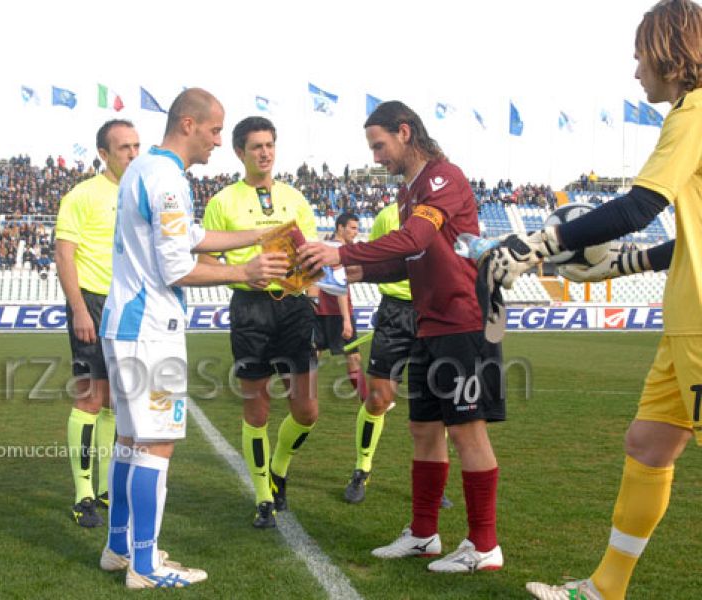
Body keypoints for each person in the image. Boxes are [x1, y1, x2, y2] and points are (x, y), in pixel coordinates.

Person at [489, 1, 702, 598]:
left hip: (701, 326)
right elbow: (687, 235)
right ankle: (607, 588)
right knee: (647, 444)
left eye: (639, 57)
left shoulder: (693, 112)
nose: (635, 72)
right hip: (685, 323)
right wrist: (627, 263)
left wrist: (537, 243)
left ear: (668, 54)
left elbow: (640, 207)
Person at [299, 100, 505, 573]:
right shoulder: (409, 192)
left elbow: (412, 241)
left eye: (379, 145)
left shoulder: (441, 179)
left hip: (464, 321)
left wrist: (340, 251)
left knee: (466, 432)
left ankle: (484, 545)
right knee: (422, 429)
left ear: (405, 132)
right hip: (429, 322)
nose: (376, 157)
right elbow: (407, 260)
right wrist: (353, 270)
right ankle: (423, 535)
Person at [98, 89, 289, 589]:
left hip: (127, 323)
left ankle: (119, 548)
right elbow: (178, 266)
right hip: (149, 330)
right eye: (214, 130)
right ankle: (145, 565)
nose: (218, 141)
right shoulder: (165, 180)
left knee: (129, 441)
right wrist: (243, 272)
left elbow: (192, 237)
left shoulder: (145, 169)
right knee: (155, 443)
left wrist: (256, 238)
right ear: (188, 124)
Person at [201, 116, 320, 528]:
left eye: (269, 145)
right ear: (240, 152)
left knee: (307, 410)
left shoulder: (294, 198)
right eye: (256, 146)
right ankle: (262, 497)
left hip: (294, 307)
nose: (265, 152)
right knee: (257, 410)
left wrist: (317, 305)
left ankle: (279, 466)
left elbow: (312, 257)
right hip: (250, 309)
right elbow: (203, 261)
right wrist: (243, 271)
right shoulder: (222, 202)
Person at [55, 119, 141, 529]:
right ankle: (82, 494)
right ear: (103, 154)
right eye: (124, 148)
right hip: (92, 302)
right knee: (90, 400)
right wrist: (79, 309)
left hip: (128, 306)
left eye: (136, 146)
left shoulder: (141, 193)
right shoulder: (82, 195)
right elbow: (64, 254)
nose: (132, 154)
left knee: (115, 404)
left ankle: (106, 488)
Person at [342, 202, 453, 512]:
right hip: (394, 312)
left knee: (436, 406)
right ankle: (361, 470)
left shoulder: (445, 210)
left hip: (434, 312)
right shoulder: (387, 216)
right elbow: (377, 259)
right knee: (378, 399)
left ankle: (435, 482)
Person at [315, 212, 368, 404]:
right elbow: (339, 286)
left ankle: (301, 398)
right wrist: (346, 319)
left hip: (321, 310)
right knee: (353, 356)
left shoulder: (327, 247)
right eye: (352, 228)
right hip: (337, 311)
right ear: (340, 227)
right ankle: (367, 400)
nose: (356, 232)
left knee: (313, 354)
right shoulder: (337, 251)